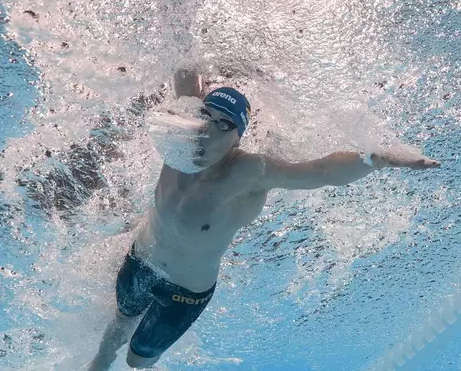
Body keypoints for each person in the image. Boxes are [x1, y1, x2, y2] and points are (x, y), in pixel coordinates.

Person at [87, 69, 440, 370]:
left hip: (184, 292)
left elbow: (320, 171)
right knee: (118, 325)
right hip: (141, 260)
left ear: (238, 138)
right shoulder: (180, 133)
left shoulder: (248, 173)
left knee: (137, 362)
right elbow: (185, 69)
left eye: (224, 125)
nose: (210, 130)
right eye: (206, 116)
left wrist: (378, 159)